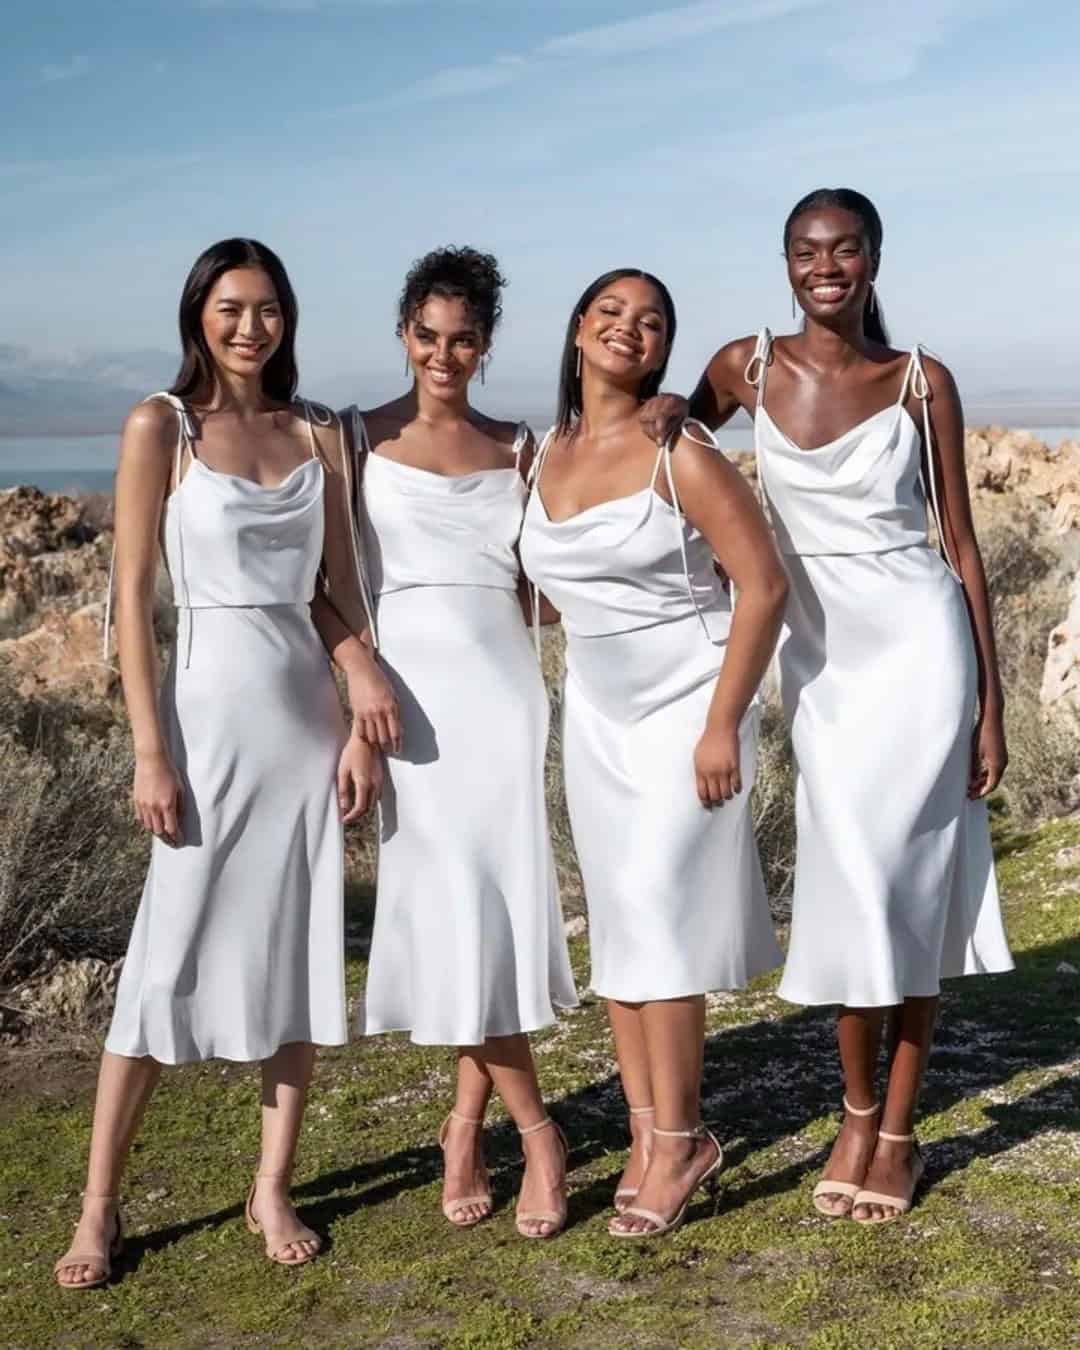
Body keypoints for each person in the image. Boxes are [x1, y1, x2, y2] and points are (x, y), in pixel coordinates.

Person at [641, 188, 1014, 1223]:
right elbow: (674, 446)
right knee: (853, 882)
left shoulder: (918, 381)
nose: (827, 265)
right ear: (786, 263)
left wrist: (991, 705)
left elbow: (964, 549)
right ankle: (855, 1107)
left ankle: (890, 1133)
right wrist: (669, 410)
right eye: (809, 250)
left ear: (875, 260)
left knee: (912, 889)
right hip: (824, 669)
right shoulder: (744, 367)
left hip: (921, 651)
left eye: (846, 249)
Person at [54, 238, 391, 1288]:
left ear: (288, 318)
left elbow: (335, 592)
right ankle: (97, 1211)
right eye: (231, 308)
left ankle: (272, 1184)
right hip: (203, 722)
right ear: (199, 313)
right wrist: (151, 752)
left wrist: (356, 701)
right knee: (164, 966)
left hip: (299, 714)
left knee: (296, 958)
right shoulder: (164, 425)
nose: (251, 327)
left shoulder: (318, 432)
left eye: (269, 309)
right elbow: (132, 608)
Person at [519, 268, 787, 1240]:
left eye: (653, 321)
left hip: (690, 705)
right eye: (611, 314)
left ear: (665, 346)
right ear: (578, 330)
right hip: (596, 709)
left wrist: (723, 722)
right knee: (624, 924)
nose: (630, 330)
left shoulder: (682, 448)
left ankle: (681, 1139)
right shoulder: (543, 453)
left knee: (665, 918)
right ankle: (646, 1134)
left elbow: (761, 586)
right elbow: (558, 589)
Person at [344, 247, 578, 1240]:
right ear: (405, 333)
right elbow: (332, 583)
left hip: (502, 695)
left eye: (464, 338)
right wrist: (354, 688)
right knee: (451, 915)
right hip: (405, 704)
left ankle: (474, 1125)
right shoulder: (351, 437)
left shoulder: (519, 446)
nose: (445, 353)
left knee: (488, 913)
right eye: (428, 335)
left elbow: (544, 583)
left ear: (484, 345)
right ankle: (530, 1129)